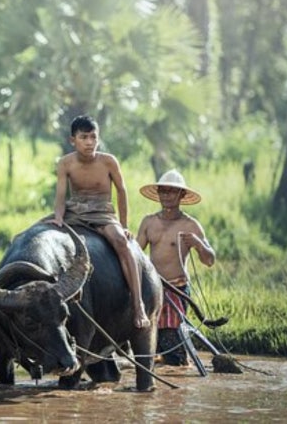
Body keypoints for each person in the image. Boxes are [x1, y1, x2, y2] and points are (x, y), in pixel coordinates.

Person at [47, 115, 150, 329]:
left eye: (94, 137)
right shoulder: (65, 163)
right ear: (72, 140)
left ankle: (138, 304)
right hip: (75, 211)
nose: (90, 142)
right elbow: (60, 196)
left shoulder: (108, 161)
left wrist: (123, 224)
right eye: (84, 137)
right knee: (35, 232)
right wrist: (58, 217)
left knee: (121, 242)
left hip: (102, 212)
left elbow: (122, 192)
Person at [135, 169, 215, 365]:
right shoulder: (149, 222)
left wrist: (198, 243)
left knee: (172, 342)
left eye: (172, 191)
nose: (166, 196)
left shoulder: (190, 225)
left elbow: (210, 260)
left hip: (176, 289)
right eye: (163, 191)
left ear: (182, 195)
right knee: (147, 336)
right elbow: (136, 254)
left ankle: (178, 363)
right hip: (152, 288)